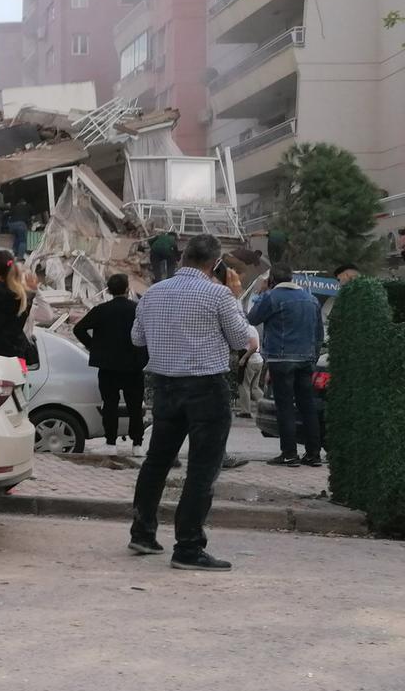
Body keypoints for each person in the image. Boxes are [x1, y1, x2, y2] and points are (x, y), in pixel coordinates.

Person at [129, 233, 258, 572]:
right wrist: (234, 302)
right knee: (202, 468)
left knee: (157, 461)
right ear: (215, 263)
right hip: (206, 387)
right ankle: (188, 546)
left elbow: (137, 338)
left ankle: (142, 533)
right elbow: (240, 339)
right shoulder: (218, 295)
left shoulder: (153, 292)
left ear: (183, 257)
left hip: (164, 385)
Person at [248, 262, 324, 466]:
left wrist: (261, 292)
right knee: (307, 406)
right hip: (306, 359)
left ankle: (289, 453)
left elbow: (252, 318)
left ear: (272, 279)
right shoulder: (311, 299)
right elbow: (319, 333)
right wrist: (313, 356)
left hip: (281, 359)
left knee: (285, 407)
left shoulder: (272, 297)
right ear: (291, 277)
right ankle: (314, 454)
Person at [73, 273, 148, 448]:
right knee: (135, 407)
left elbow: (79, 329)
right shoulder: (137, 310)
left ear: (109, 290)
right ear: (127, 289)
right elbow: (150, 333)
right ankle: (137, 444)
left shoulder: (101, 310)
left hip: (108, 367)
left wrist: (93, 346)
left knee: (110, 406)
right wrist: (144, 354)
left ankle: (110, 442)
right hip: (133, 367)